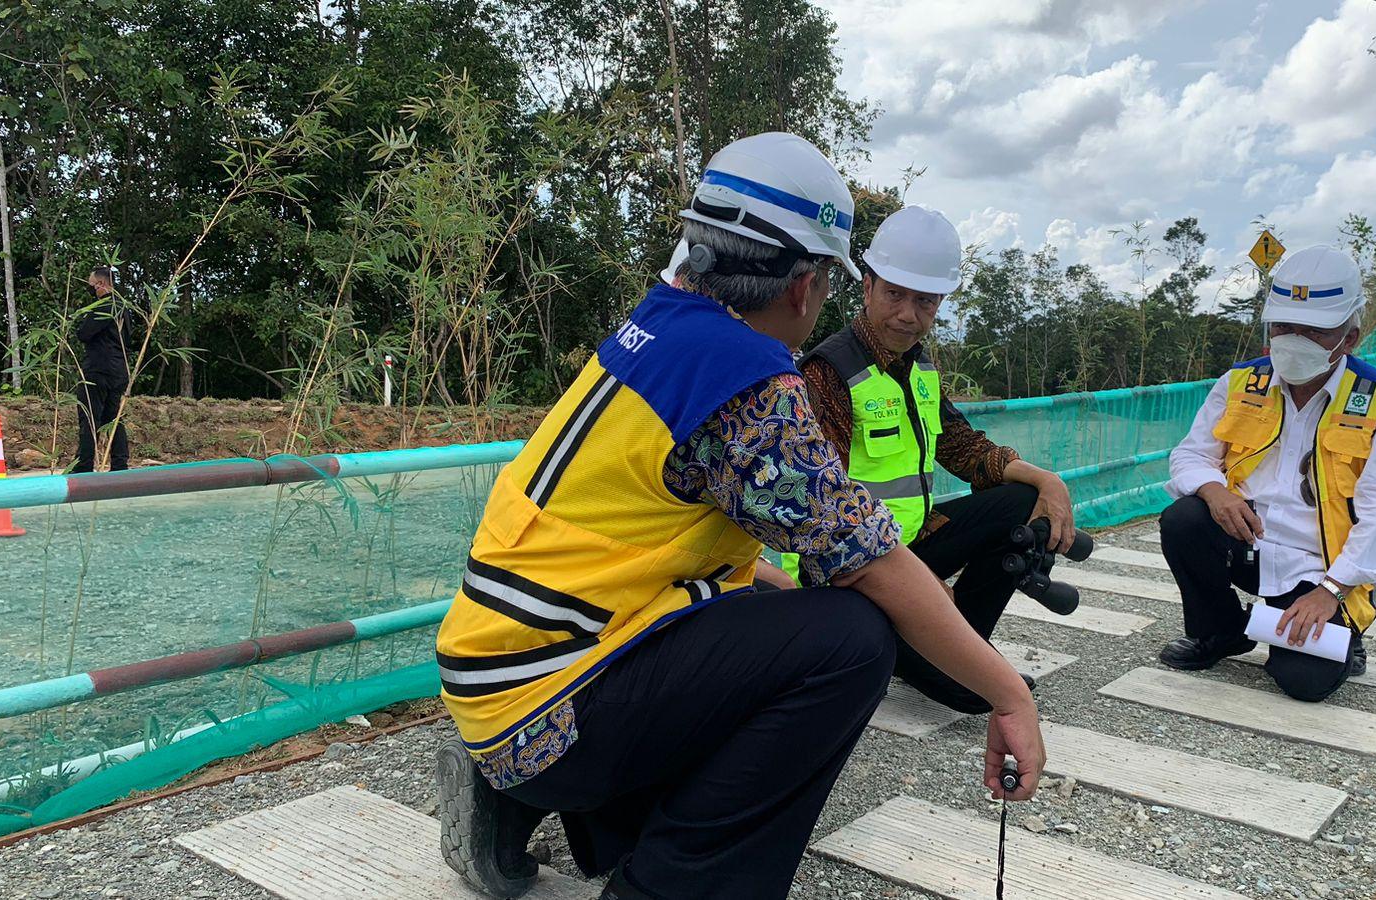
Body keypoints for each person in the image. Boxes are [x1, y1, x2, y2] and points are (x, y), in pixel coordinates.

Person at [433, 132, 1046, 900]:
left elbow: (673, 530)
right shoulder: (750, 382)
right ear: (807, 286)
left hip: (501, 666)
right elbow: (875, 565)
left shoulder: (658, 327)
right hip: (545, 702)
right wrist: (1009, 694)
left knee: (775, 614)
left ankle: (521, 802)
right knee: (852, 642)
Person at [783, 204, 1075, 713]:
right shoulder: (828, 372)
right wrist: (909, 583)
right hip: (847, 569)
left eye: (925, 301)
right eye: (894, 293)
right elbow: (821, 509)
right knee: (974, 698)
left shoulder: (918, 368)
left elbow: (963, 448)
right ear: (867, 285)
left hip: (915, 543)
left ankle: (959, 644)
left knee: (1019, 502)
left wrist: (1046, 480)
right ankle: (902, 645)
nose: (907, 314)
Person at [1156, 244, 1376, 702]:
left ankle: (1347, 635)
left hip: (1321, 571)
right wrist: (1216, 492)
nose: (1293, 340)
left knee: (1304, 683)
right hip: (1252, 546)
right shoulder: (1241, 382)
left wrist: (1330, 592)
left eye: (1313, 331)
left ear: (1349, 337)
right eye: (1283, 326)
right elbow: (1188, 457)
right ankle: (1220, 632)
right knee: (1184, 518)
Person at [71, 266, 130, 473]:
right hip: (119, 369)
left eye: (91, 285)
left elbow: (84, 333)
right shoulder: (123, 307)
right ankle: (120, 465)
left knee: (89, 417)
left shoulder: (104, 306)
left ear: (101, 284)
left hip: (98, 369)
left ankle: (84, 466)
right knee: (114, 419)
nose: (90, 289)